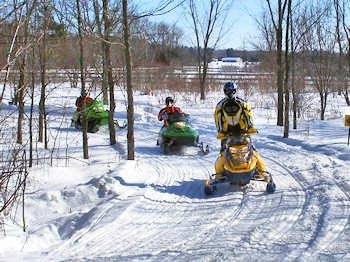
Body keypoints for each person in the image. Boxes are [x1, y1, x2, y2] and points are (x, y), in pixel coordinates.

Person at [214, 82, 268, 181]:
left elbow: (249, 113)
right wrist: (220, 131)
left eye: (231, 91)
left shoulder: (242, 103)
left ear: (235, 91)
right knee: (224, 153)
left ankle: (261, 171)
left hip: (243, 131)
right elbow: (217, 118)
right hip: (226, 133)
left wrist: (251, 127)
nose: (230, 93)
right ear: (225, 92)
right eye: (227, 91)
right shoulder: (220, 105)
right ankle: (219, 174)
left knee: (252, 151)